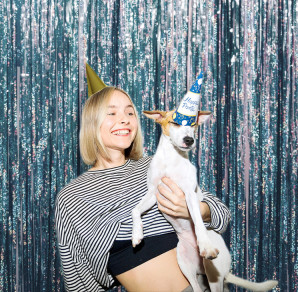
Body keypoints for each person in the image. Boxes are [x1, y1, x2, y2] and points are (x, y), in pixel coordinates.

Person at [55, 85, 231, 292]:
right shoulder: (72, 196)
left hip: (207, 284)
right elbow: (78, 275)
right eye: (112, 112)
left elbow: (222, 214)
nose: (125, 119)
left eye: (130, 112)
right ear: (92, 122)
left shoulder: (155, 165)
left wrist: (198, 210)